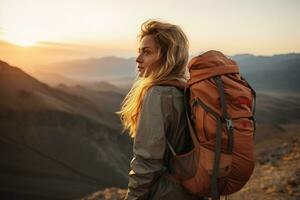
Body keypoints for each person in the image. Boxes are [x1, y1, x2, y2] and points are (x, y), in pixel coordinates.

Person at [116, 19, 200, 200]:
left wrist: (133, 197)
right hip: (192, 190)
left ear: (168, 56)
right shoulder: (186, 88)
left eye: (147, 52)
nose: (138, 59)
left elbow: (147, 161)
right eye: (139, 52)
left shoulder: (159, 94)